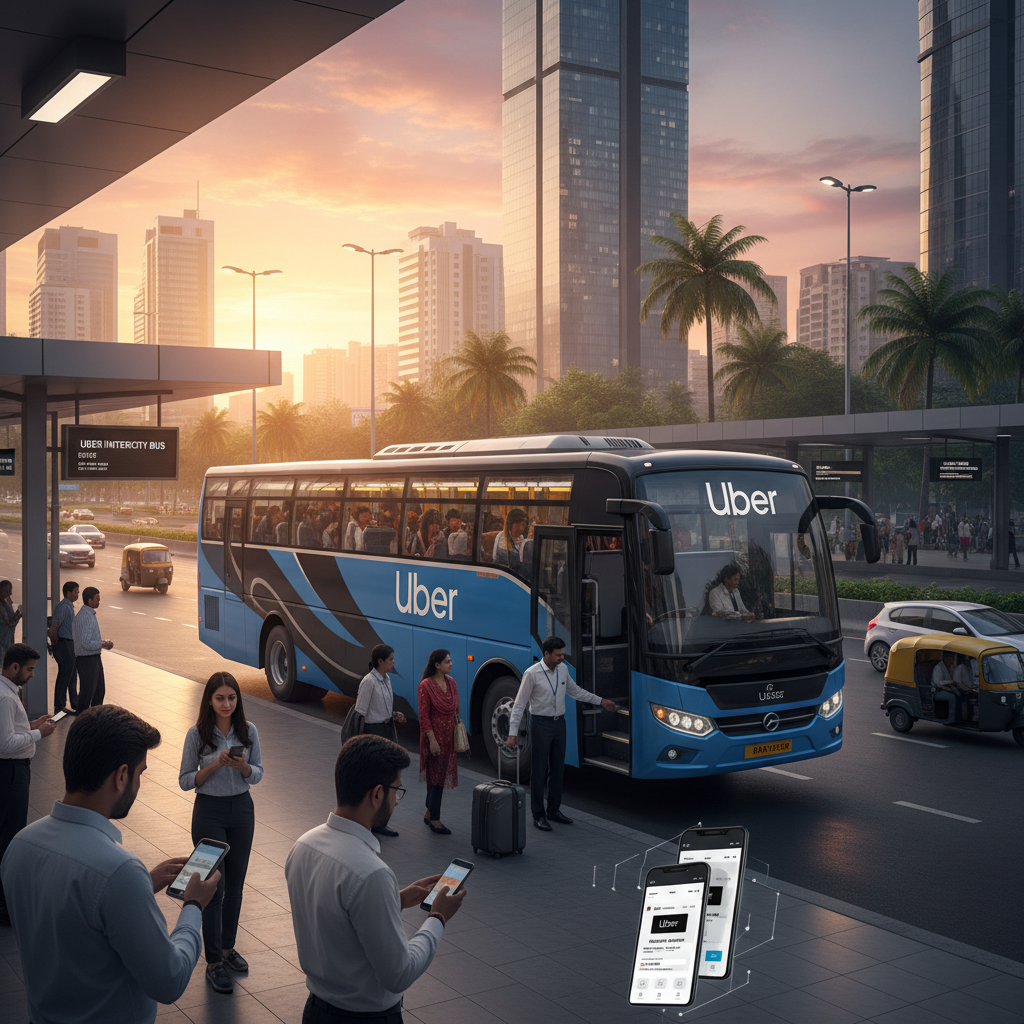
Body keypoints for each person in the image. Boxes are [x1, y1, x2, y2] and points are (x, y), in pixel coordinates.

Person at [0, 705, 220, 1023]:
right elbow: (169, 980)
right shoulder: (117, 873)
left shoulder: (20, 845)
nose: (138, 784)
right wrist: (194, 906)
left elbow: (71, 918)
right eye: (140, 773)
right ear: (121, 776)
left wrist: (142, 882)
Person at [285, 735, 465, 1024]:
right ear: (377, 794)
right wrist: (438, 917)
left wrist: (397, 900)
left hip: (316, 1010)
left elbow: (337, 917)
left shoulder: (304, 845)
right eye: (397, 791)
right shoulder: (372, 873)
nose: (396, 801)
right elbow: (399, 974)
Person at [178, 672, 264, 995]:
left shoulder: (249, 731)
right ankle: (213, 960)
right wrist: (215, 764)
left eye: (231, 697)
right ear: (209, 701)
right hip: (209, 812)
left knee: (236, 885)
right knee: (214, 886)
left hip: (242, 811)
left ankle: (228, 947)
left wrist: (243, 768)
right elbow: (186, 780)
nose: (226, 704)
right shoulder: (197, 735)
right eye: (220, 698)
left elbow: (258, 773)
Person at [505, 636, 616, 831]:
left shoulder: (563, 670)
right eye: (558, 655)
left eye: (563, 654)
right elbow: (519, 704)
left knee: (558, 769)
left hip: (559, 724)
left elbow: (576, 692)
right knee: (539, 770)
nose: (562, 658)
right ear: (546, 654)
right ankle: (538, 814)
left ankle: (554, 811)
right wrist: (512, 733)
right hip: (540, 724)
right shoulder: (532, 674)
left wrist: (601, 700)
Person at [0, 644, 53, 926]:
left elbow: (9, 729)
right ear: (15, 667)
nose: (33, 674)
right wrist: (37, 734)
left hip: (13, 770)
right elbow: (5, 743)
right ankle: (6, 906)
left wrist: (32, 725)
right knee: (9, 836)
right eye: (30, 669)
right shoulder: (6, 698)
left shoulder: (8, 693)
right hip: (10, 772)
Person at [352, 645, 407, 838]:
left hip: (386, 729)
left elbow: (381, 707)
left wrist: (394, 715)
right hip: (373, 733)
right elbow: (361, 714)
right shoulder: (369, 682)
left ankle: (381, 821)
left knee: (386, 778)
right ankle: (372, 821)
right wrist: (361, 744)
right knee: (375, 780)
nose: (393, 662)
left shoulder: (386, 679)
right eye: (390, 659)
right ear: (380, 661)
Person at [417, 649, 459, 835]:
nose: (451, 664)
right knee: (435, 779)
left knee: (439, 776)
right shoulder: (425, 686)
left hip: (448, 737)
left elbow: (456, 710)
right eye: (447, 662)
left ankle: (429, 812)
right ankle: (435, 819)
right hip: (434, 738)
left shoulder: (451, 683)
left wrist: (460, 729)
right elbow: (424, 716)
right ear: (437, 665)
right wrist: (432, 740)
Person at [74, 586, 112, 710]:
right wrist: (103, 644)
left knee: (97, 690)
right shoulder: (87, 617)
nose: (99, 602)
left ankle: (94, 716)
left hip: (90, 657)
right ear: (89, 600)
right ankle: (84, 718)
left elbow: (86, 639)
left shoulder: (85, 614)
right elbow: (86, 643)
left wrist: (101, 643)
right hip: (88, 659)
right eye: (97, 599)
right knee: (89, 691)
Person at [48, 579, 80, 715]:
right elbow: (54, 627)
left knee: (72, 675)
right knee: (64, 676)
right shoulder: (63, 607)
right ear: (68, 593)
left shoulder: (69, 606)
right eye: (75, 592)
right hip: (64, 644)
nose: (77, 594)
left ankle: (75, 703)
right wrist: (55, 644)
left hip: (69, 644)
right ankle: (59, 706)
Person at [493, 508, 530, 575]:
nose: (521, 529)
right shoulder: (500, 537)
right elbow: (495, 560)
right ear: (512, 524)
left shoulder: (522, 539)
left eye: (524, 525)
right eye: (520, 525)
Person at [0, 580, 22, 667]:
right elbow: (9, 622)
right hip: (3, 639)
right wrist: (19, 613)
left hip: (7, 639)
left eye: (10, 590)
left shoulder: (7, 602)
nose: (10, 593)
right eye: (7, 591)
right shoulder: (1, 605)